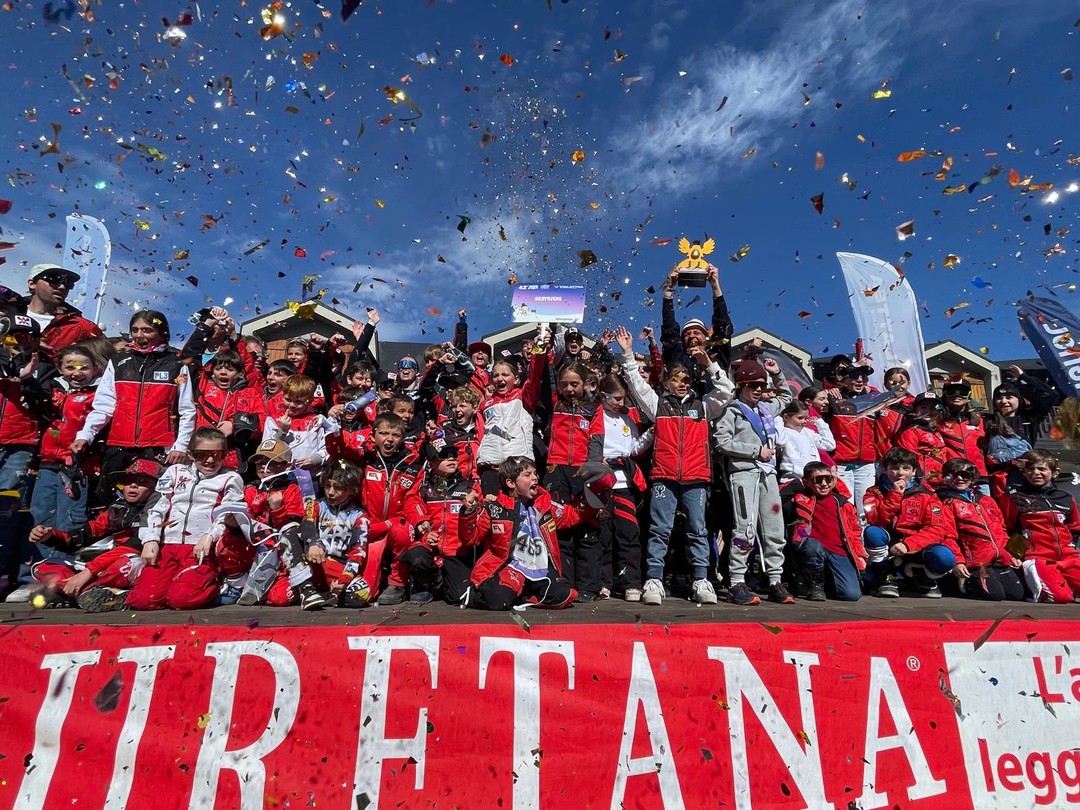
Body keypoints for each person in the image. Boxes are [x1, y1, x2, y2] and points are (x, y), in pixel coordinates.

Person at [617, 326, 733, 606]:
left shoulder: (704, 406)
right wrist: (629, 353)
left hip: (696, 478)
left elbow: (727, 391)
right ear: (666, 382)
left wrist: (708, 364)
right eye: (676, 379)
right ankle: (654, 580)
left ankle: (701, 579)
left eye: (686, 379)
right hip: (664, 477)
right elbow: (635, 382)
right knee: (660, 529)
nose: (681, 383)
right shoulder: (657, 405)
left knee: (697, 530)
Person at [119, 427, 245, 611]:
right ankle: (136, 586)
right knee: (144, 601)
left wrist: (210, 536)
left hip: (200, 548)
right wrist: (150, 539)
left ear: (225, 454)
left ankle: (219, 584)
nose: (210, 460)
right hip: (168, 545)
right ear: (190, 454)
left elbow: (227, 513)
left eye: (217, 454)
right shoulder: (174, 472)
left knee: (181, 600)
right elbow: (157, 507)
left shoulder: (231, 478)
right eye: (202, 454)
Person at [71, 310, 195, 493]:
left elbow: (187, 409)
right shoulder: (119, 362)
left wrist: (181, 446)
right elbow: (103, 405)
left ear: (162, 333)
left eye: (147, 330)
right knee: (110, 499)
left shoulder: (176, 366)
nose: (139, 335)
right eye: (135, 330)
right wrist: (86, 434)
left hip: (158, 447)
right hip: (118, 445)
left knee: (156, 501)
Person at [526, 341, 605, 601]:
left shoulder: (594, 408)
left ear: (585, 384)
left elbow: (597, 440)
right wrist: (543, 347)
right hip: (556, 467)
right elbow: (543, 376)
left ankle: (589, 587)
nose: (569, 388)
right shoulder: (554, 404)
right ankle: (564, 582)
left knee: (588, 529)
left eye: (575, 384)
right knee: (559, 528)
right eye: (565, 384)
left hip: (584, 471)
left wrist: (592, 470)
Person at [28, 458, 161, 610]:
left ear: (158, 487)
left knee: (124, 564)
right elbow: (86, 534)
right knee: (43, 567)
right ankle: (90, 592)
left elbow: (134, 547)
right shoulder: (117, 509)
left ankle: (73, 592)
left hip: (138, 566)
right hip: (104, 567)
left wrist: (88, 571)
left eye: (142, 481)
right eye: (128, 480)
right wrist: (50, 535)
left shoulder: (159, 511)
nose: (133, 485)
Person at [715, 358, 795, 605]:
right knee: (745, 527)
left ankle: (774, 580)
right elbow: (721, 441)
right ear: (741, 386)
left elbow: (787, 397)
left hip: (769, 474)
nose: (758, 390)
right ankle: (737, 581)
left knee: (774, 528)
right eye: (752, 385)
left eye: (761, 385)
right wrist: (754, 450)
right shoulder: (732, 410)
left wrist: (778, 373)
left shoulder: (766, 409)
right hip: (744, 474)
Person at [459, 456, 584, 610]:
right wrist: (468, 512)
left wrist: (595, 493)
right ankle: (503, 592)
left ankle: (525, 595)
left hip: (540, 568)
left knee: (565, 594)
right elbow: (471, 539)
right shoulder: (495, 507)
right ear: (511, 483)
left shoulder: (544, 503)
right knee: (499, 601)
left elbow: (573, 515)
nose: (535, 478)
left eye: (535, 473)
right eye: (527, 475)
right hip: (510, 567)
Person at [233, 439, 329, 609]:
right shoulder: (250, 490)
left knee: (280, 599)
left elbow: (296, 526)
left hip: (286, 554)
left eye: (271, 462)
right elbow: (247, 524)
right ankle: (234, 584)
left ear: (286, 466)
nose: (263, 466)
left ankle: (305, 587)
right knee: (226, 538)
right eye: (259, 462)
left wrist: (277, 510)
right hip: (257, 550)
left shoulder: (294, 489)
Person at [267, 461, 373, 608]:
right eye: (328, 486)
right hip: (312, 564)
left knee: (362, 592)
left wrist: (344, 578)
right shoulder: (315, 504)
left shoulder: (359, 516)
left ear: (351, 489)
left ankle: (323, 596)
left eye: (338, 488)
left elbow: (357, 553)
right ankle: (306, 588)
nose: (330, 492)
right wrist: (314, 543)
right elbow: (307, 524)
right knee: (278, 597)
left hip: (338, 567)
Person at [862, 447, 962, 598]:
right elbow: (875, 521)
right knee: (873, 532)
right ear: (885, 469)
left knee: (945, 557)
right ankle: (885, 575)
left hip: (916, 545)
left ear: (914, 471)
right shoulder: (873, 492)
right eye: (894, 468)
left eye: (906, 468)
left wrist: (908, 544)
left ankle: (923, 577)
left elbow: (937, 529)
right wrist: (894, 495)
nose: (900, 473)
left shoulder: (928, 495)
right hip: (889, 545)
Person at [595, 370, 653, 601]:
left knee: (629, 534)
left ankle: (631, 583)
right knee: (603, 536)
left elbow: (634, 449)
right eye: (616, 398)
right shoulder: (594, 415)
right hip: (599, 484)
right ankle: (604, 583)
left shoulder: (629, 418)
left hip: (625, 483)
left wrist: (650, 434)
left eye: (623, 398)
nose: (621, 403)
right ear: (602, 395)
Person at [358, 414, 427, 605]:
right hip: (370, 528)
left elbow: (413, 498)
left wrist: (420, 520)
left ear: (402, 438)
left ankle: (397, 583)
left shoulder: (412, 464)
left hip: (397, 527)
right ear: (373, 436)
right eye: (384, 433)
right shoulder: (363, 458)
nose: (389, 439)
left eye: (396, 435)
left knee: (403, 529)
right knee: (365, 594)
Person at [997, 449, 1080, 603]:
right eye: (1030, 469)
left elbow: (1075, 528)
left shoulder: (1066, 498)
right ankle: (1052, 585)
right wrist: (1014, 555)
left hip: (1069, 558)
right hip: (1037, 558)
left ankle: (1065, 583)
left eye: (1042, 469)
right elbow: (1006, 529)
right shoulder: (1014, 497)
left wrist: (1072, 548)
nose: (1035, 473)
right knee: (1061, 597)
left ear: (1055, 473)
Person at [935, 458, 1025, 601]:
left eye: (965, 474)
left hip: (999, 559)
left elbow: (1001, 529)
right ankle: (961, 582)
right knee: (995, 595)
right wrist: (958, 561)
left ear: (973, 477)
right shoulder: (945, 502)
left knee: (1016, 594)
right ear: (946, 477)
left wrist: (1010, 554)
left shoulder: (986, 500)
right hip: (975, 562)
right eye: (953, 474)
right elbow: (947, 536)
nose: (959, 478)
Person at [782, 461, 866, 601]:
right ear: (807, 482)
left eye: (828, 479)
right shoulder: (800, 498)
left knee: (851, 595)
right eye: (818, 480)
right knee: (811, 545)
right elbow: (775, 502)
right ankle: (815, 585)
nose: (824, 484)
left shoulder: (844, 504)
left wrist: (860, 557)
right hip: (810, 544)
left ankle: (827, 584)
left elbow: (855, 533)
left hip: (838, 549)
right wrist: (797, 484)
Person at [413, 442, 480, 605]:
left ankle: (442, 584)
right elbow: (410, 503)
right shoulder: (423, 486)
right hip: (430, 547)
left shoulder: (470, 487)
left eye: (454, 455)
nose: (451, 458)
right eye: (444, 455)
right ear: (431, 462)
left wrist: (473, 509)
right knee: (415, 555)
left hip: (457, 551)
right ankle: (428, 585)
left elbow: (480, 520)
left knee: (459, 598)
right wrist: (422, 524)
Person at [659, 265, 734, 394]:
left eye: (697, 332)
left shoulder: (717, 356)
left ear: (706, 336)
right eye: (687, 334)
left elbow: (722, 326)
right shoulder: (678, 359)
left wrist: (715, 285)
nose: (692, 335)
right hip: (684, 412)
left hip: (715, 412)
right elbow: (669, 331)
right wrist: (668, 290)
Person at [823, 357, 879, 518]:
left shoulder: (874, 399)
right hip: (841, 462)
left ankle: (865, 541)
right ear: (844, 379)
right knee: (845, 505)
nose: (860, 380)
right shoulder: (832, 398)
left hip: (866, 463)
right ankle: (848, 541)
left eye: (863, 376)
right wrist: (830, 389)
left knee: (866, 508)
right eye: (854, 376)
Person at [15, 263, 102, 363]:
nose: (62, 287)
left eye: (68, 283)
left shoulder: (83, 328)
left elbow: (103, 366)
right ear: (32, 284)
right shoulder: (7, 314)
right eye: (54, 279)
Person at [475, 357, 536, 495]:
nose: (500, 378)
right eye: (496, 375)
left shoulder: (523, 397)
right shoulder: (485, 405)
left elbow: (534, 378)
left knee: (518, 510)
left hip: (518, 465)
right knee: (491, 510)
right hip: (490, 466)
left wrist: (539, 351)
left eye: (505, 374)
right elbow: (480, 434)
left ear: (516, 379)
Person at [263, 374, 329, 470]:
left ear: (309, 401)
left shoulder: (316, 421)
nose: (292, 405)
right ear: (282, 397)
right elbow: (265, 451)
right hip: (281, 475)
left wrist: (315, 459)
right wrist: (281, 431)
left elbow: (326, 448)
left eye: (298, 402)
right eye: (288, 399)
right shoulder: (273, 420)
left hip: (309, 475)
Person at [773, 399, 835, 484]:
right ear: (786, 417)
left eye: (806, 418)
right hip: (792, 480)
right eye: (800, 418)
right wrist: (778, 419)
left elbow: (830, 445)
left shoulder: (808, 432)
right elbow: (780, 442)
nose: (804, 421)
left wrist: (820, 423)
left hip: (814, 479)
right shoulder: (783, 432)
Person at [895, 392, 949, 487]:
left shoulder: (936, 431)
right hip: (923, 483)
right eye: (923, 408)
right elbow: (908, 459)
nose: (929, 411)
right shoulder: (911, 431)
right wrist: (919, 481)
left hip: (941, 481)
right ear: (916, 409)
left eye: (932, 408)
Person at [937, 377, 987, 478]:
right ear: (944, 395)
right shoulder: (938, 421)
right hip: (953, 477)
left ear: (969, 396)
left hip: (979, 476)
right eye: (951, 392)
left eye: (962, 392)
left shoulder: (980, 421)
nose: (957, 395)